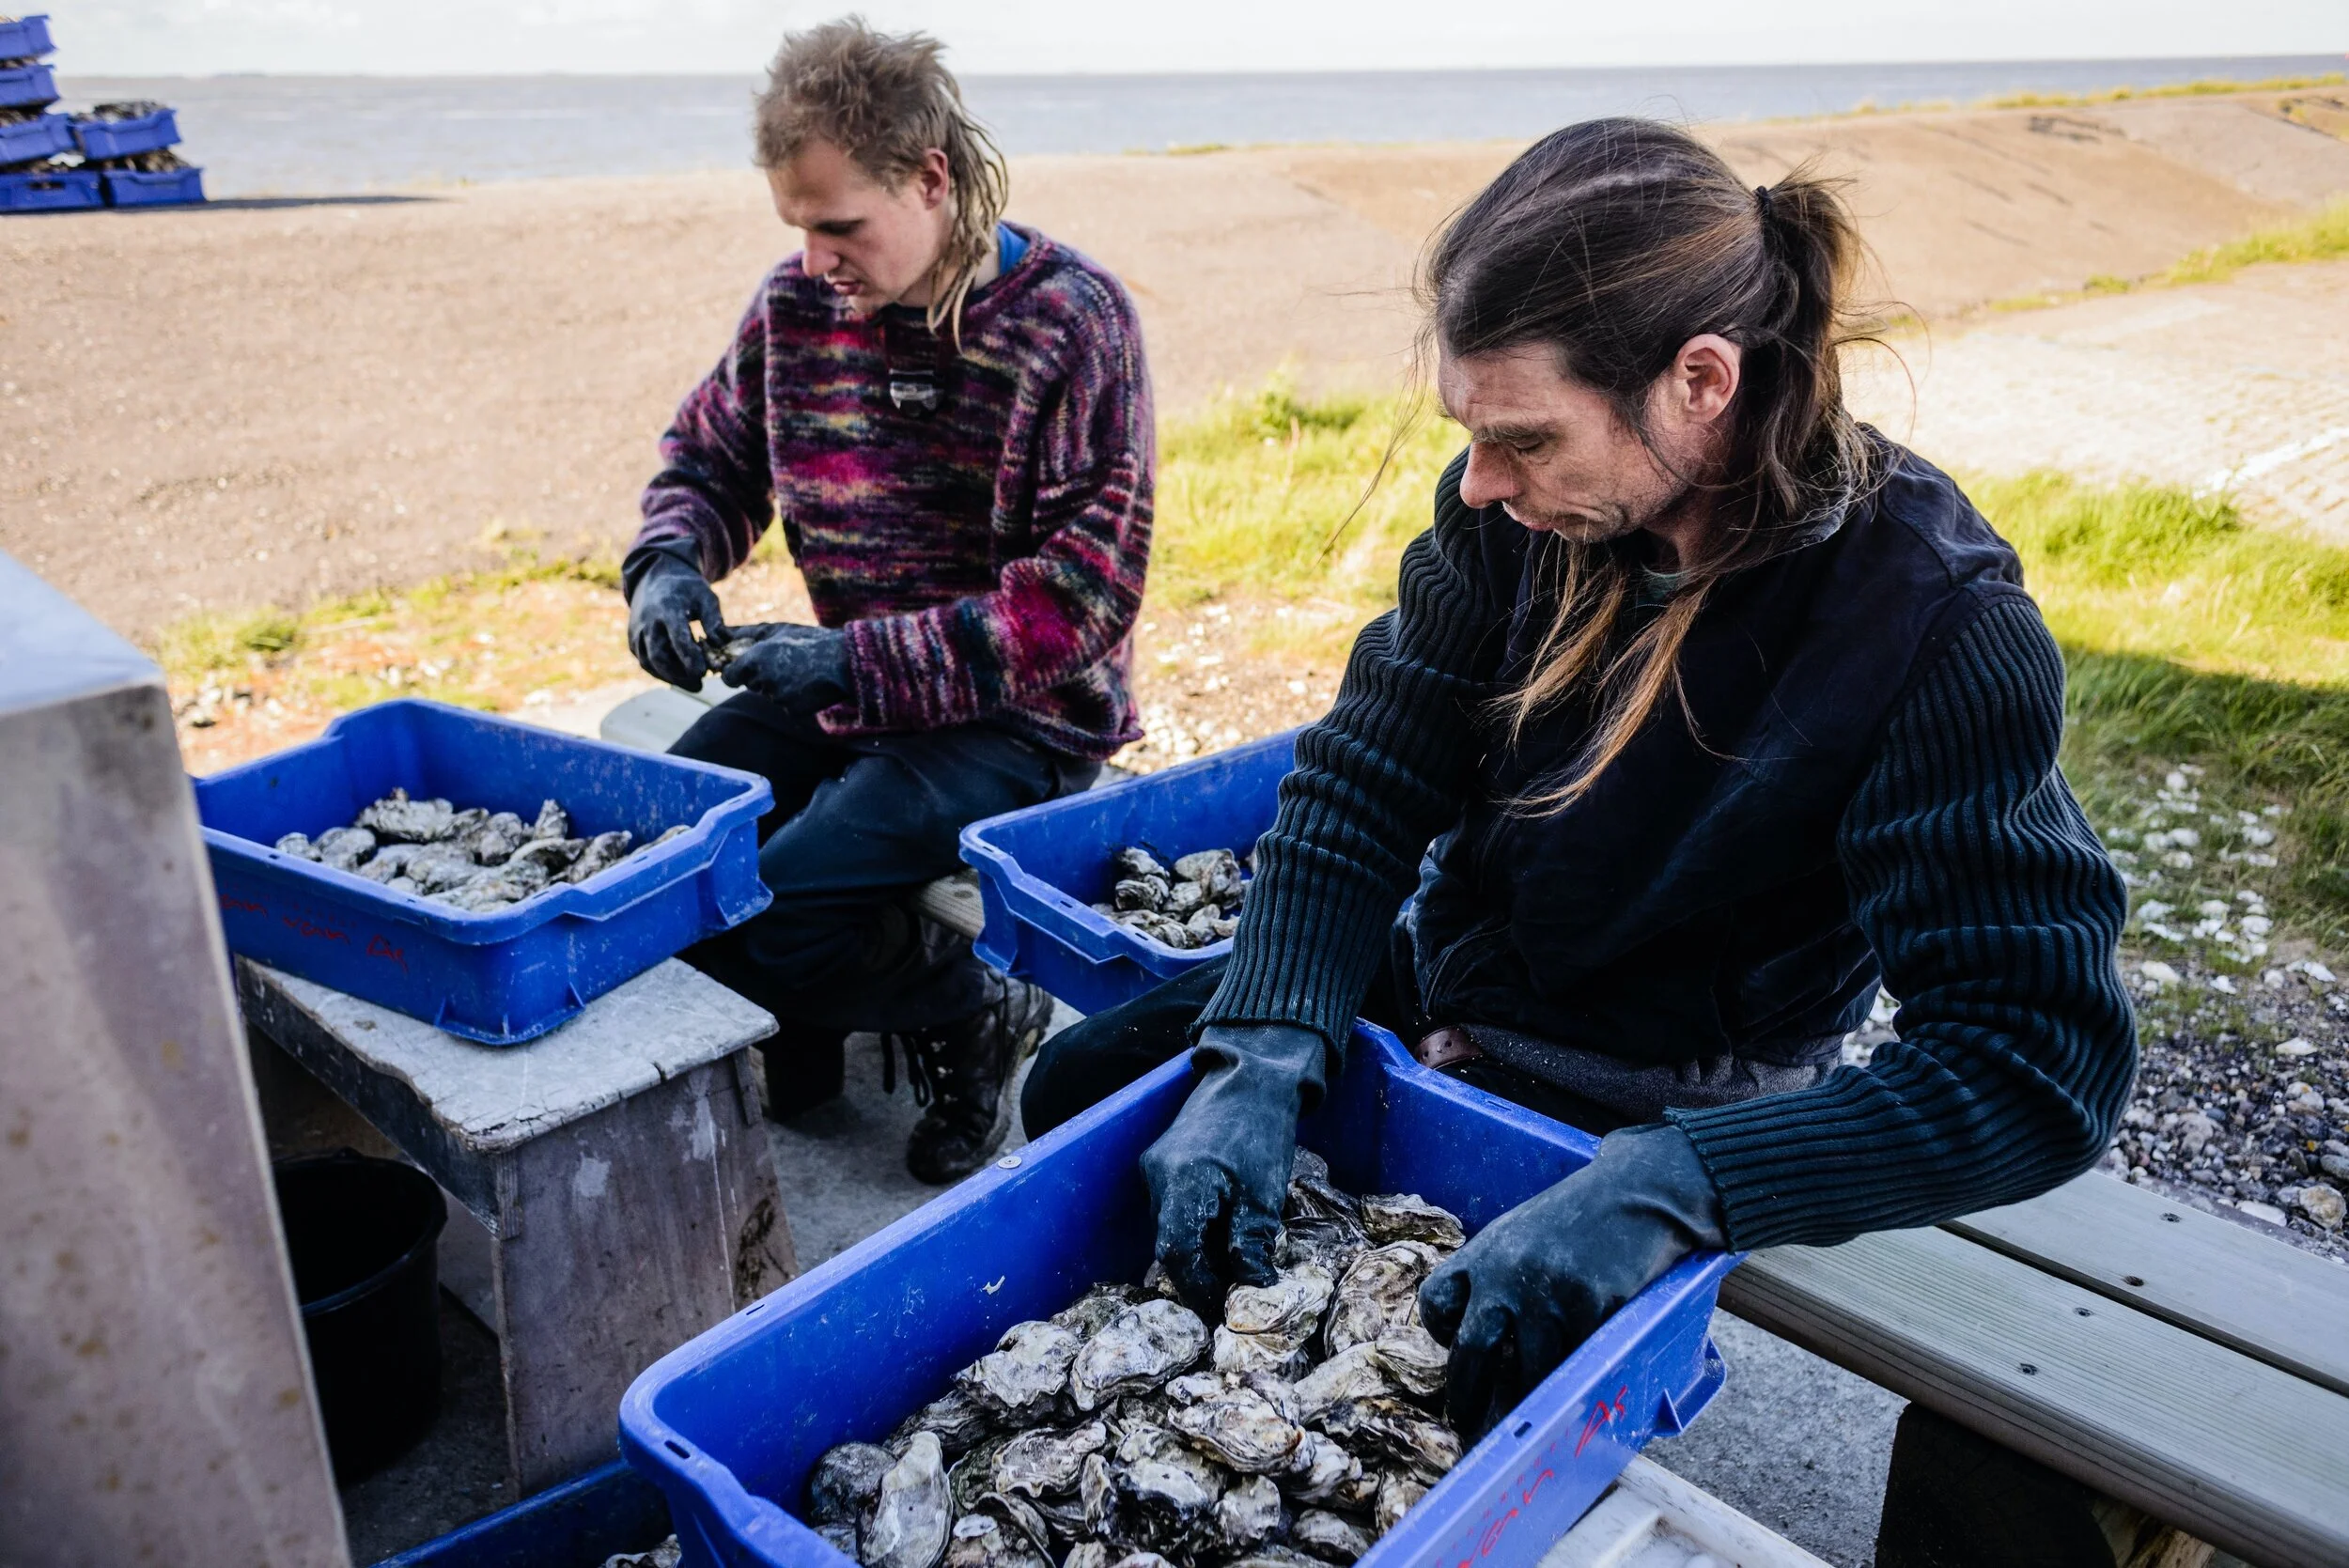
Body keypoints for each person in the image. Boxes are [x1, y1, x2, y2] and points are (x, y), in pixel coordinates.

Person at [1021, 118, 2135, 1434]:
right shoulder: (1516, 518)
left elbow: (2037, 1062)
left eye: (1531, 439)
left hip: (1662, 1088)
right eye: (1470, 430)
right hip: (1457, 970)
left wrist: (1669, 1185)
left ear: (1701, 381)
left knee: (1451, 1398)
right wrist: (1264, 1047)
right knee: (1081, 1098)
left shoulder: (1931, 624)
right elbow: (1368, 773)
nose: (1483, 482)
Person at [623, 20, 1154, 1184]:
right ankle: (806, 1024)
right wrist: (667, 561)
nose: (816, 259)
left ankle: (963, 1011)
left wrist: (856, 666)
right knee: (666, 859)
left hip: (1019, 720)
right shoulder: (794, 312)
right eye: (797, 227)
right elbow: (709, 461)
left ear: (932, 177)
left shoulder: (1071, 323)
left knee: (776, 909)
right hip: (850, 686)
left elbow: (1082, 598)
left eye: (839, 225)